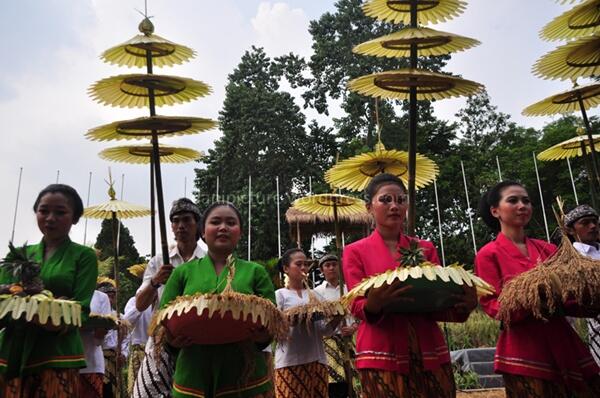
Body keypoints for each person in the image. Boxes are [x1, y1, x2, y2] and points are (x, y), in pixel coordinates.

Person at [343, 173, 476, 398]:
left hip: (429, 348)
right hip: (381, 350)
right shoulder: (354, 251)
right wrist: (373, 305)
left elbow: (438, 301)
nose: (394, 206)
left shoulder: (425, 248)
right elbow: (355, 303)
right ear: (369, 207)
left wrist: (463, 305)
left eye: (401, 199)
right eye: (385, 200)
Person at [475, 181, 600, 397]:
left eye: (526, 201)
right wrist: (534, 296)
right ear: (495, 211)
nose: (522, 205)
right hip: (524, 350)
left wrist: (588, 293)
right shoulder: (488, 255)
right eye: (513, 200)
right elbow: (495, 307)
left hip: (563, 342)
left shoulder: (549, 249)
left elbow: (571, 301)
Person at [159, 201, 276, 397]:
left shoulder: (255, 272)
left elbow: (273, 320)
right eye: (215, 222)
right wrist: (172, 340)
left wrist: (263, 336)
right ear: (203, 232)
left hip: (245, 374)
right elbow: (163, 319)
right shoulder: (182, 273)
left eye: (231, 222)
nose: (223, 227)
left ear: (240, 232)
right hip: (193, 372)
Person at [0, 184, 98, 397]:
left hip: (58, 354)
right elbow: (3, 301)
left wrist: (52, 320)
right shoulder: (17, 255)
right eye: (43, 211)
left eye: (60, 212)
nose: (50, 218)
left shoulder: (84, 256)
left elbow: (81, 308)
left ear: (74, 217)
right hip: (11, 352)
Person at [133, 198, 206, 398]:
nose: (181, 225)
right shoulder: (158, 261)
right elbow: (140, 305)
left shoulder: (208, 260)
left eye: (186, 220)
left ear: (197, 225)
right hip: (161, 340)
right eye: (175, 221)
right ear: (171, 227)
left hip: (196, 342)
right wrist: (156, 281)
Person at [275, 248, 341, 398]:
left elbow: (324, 330)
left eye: (306, 264)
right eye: (299, 264)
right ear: (286, 269)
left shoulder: (315, 295)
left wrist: (338, 317)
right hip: (290, 362)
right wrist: (290, 320)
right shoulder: (280, 295)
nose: (304, 268)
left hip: (317, 360)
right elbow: (275, 329)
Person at [314, 254, 358, 398]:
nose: (331, 268)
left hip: (350, 340)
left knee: (354, 378)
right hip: (330, 342)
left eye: (334, 264)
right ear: (322, 270)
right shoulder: (316, 293)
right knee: (335, 381)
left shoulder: (350, 290)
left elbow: (359, 315)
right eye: (327, 266)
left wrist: (353, 327)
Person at [564, 205, 600, 366]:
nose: (592, 226)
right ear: (571, 230)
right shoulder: (570, 260)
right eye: (585, 223)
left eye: (595, 222)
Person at [80, 289, 113, 397]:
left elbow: (99, 340)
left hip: (91, 363)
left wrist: (101, 332)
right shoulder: (63, 291)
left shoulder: (101, 297)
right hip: (64, 360)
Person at [123, 287, 152, 396]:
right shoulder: (133, 301)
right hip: (139, 351)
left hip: (157, 351)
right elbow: (127, 321)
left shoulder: (161, 299)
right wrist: (141, 304)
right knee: (137, 390)